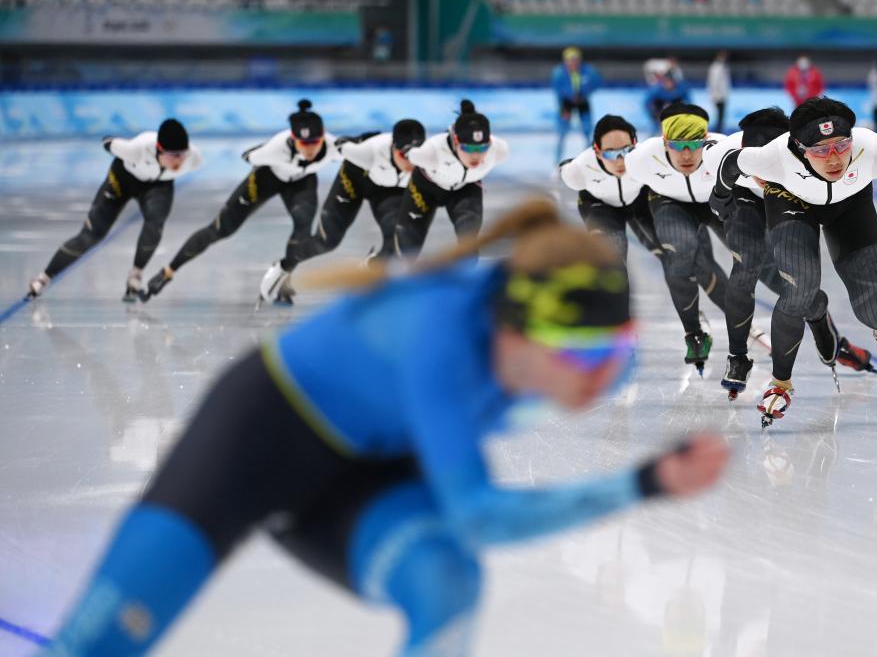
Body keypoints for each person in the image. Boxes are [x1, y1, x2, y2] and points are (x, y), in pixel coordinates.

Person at [41, 200, 730, 657]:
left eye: (613, 351)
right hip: (257, 438)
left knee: (447, 582)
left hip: (369, 467)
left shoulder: (587, 353)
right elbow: (480, 516)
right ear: (515, 334)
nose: (598, 377)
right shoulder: (440, 341)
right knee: (98, 644)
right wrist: (644, 483)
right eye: (578, 355)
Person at [710, 96, 877, 426]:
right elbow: (730, 163)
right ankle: (780, 383)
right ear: (800, 147)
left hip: (850, 204)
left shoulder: (873, 151)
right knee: (800, 288)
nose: (834, 158)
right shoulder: (774, 156)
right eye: (820, 150)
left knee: (873, 310)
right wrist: (720, 198)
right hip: (791, 201)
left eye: (841, 146)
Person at [700, 107, 876, 399]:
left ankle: (825, 329)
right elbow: (706, 154)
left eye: (764, 163)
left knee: (798, 289)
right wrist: (719, 195)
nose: (761, 174)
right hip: (743, 197)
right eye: (753, 163)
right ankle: (737, 357)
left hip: (788, 195)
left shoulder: (803, 159)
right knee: (745, 263)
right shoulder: (722, 155)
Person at [560, 114, 730, 375]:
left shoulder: (645, 160)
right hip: (600, 207)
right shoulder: (579, 170)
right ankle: (619, 331)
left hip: (640, 202)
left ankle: (697, 329)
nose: (620, 160)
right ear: (596, 151)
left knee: (678, 257)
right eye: (611, 153)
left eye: (626, 151)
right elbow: (566, 170)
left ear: (636, 146)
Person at [141, 100, 341, 304]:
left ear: (323, 136)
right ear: (293, 139)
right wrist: (268, 154)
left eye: (315, 142)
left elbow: (355, 151)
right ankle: (168, 271)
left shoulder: (334, 147)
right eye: (304, 143)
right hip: (267, 178)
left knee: (303, 225)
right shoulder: (277, 148)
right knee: (221, 229)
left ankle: (282, 278)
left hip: (302, 181)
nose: (310, 149)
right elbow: (248, 156)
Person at [25, 119, 201, 302]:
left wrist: (178, 156)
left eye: (183, 154)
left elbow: (182, 156)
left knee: (155, 223)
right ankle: (44, 277)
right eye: (174, 155)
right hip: (122, 180)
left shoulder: (193, 158)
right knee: (91, 236)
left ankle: (136, 274)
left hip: (158, 186)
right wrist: (115, 143)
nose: (180, 161)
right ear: (159, 148)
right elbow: (107, 141)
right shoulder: (136, 149)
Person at [257, 119, 426, 303]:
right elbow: (340, 143)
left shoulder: (428, 160)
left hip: (388, 191)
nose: (410, 163)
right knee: (326, 241)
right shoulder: (369, 151)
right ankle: (283, 267)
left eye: (414, 157)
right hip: (355, 180)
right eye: (404, 155)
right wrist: (357, 140)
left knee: (399, 239)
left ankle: (369, 270)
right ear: (393, 148)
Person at [393, 100, 508, 261]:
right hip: (426, 189)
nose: (476, 155)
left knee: (468, 242)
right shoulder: (431, 152)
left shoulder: (498, 150)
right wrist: (407, 151)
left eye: (482, 148)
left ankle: (467, 276)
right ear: (455, 141)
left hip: (465, 189)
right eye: (468, 148)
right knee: (407, 246)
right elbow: (409, 154)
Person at [552, 46, 601, 163]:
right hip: (566, 103)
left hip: (582, 102)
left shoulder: (588, 71)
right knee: (562, 133)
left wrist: (584, 93)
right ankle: (557, 162)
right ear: (565, 61)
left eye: (576, 60)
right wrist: (567, 100)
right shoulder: (559, 73)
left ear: (580, 60)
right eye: (570, 60)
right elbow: (557, 89)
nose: (573, 63)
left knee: (587, 131)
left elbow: (598, 82)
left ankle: (590, 161)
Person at [644, 69, 690, 134]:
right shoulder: (656, 90)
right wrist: (654, 114)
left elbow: (689, 102)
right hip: (659, 109)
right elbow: (647, 103)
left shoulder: (681, 89)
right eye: (665, 82)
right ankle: (656, 131)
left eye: (670, 82)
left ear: (674, 82)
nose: (668, 84)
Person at [706, 51, 731, 133]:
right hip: (718, 95)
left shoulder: (723, 66)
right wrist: (716, 95)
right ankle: (718, 131)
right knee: (719, 114)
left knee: (721, 115)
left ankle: (719, 130)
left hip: (721, 95)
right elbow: (714, 82)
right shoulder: (716, 67)